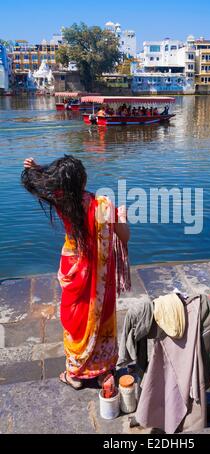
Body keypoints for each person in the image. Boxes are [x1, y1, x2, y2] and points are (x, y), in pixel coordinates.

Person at [21, 155, 131, 390]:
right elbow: (125, 236)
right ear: (83, 179)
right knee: (100, 315)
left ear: (60, 184)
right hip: (100, 273)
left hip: (73, 267)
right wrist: (121, 216)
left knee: (76, 318)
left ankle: (75, 374)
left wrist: (35, 170)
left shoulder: (61, 201)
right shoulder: (103, 205)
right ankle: (103, 371)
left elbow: (38, 186)